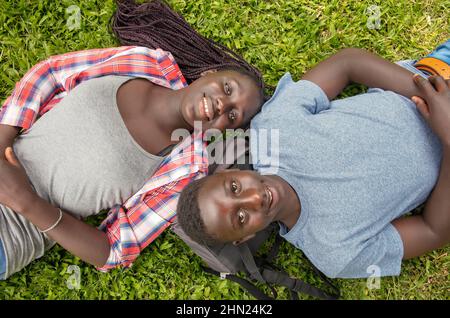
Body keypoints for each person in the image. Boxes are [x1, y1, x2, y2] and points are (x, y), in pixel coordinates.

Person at [0, 0, 265, 280]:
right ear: (209, 74)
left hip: (13, 233)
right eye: (227, 88)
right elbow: (51, 73)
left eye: (233, 115)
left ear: (224, 130)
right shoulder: (147, 62)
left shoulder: (185, 170)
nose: (223, 105)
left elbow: (114, 250)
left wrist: (27, 202)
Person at [176, 41, 450, 278]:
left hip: (435, 77)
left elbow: (347, 63)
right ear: (244, 237)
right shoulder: (334, 252)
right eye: (241, 217)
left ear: (230, 172)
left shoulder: (272, 130)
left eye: (235, 188)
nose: (254, 199)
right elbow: (433, 231)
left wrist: (430, 97)